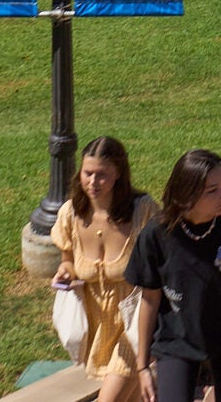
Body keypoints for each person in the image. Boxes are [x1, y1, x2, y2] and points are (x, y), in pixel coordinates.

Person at [126, 149, 221, 402]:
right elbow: (150, 300)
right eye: (212, 190)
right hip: (176, 339)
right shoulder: (157, 234)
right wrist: (142, 366)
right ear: (186, 194)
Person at [51, 136, 158, 402]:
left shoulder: (142, 211)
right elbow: (68, 260)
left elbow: (163, 264)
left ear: (119, 174)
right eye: (88, 173)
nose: (93, 182)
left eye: (102, 175)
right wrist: (66, 271)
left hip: (136, 323)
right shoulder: (70, 214)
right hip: (97, 322)